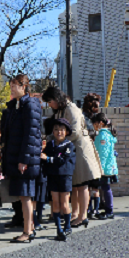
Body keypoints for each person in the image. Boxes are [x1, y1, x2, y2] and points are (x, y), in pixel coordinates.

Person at [42, 86, 102, 229]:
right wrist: (49, 138)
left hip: (80, 150)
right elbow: (58, 130)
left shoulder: (71, 109)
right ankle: (75, 214)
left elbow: (74, 132)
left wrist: (56, 137)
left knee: (82, 185)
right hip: (71, 148)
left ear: (57, 99)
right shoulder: (61, 110)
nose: (49, 105)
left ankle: (83, 216)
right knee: (74, 185)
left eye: (50, 101)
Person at [1, 74, 42, 244]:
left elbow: (31, 135)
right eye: (11, 86)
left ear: (24, 87)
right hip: (20, 157)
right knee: (25, 196)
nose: (11, 89)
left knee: (25, 195)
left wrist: (24, 159)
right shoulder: (18, 105)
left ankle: (27, 231)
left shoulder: (30, 105)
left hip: (25, 159)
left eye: (14, 86)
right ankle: (29, 228)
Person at [41, 118, 76, 241]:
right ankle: (58, 229)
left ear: (66, 132)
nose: (59, 132)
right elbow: (43, 157)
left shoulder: (69, 145)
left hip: (65, 176)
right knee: (55, 202)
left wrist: (48, 159)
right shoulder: (49, 145)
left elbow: (62, 160)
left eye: (62, 129)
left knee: (65, 203)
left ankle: (67, 226)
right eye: (56, 129)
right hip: (52, 176)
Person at [92, 113, 118, 220]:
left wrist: (100, 168)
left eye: (94, 123)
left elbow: (102, 153)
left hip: (104, 168)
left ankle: (109, 211)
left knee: (106, 188)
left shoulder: (102, 135)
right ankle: (108, 210)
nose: (93, 126)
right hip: (109, 166)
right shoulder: (108, 134)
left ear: (100, 123)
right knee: (105, 188)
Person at [82, 93, 102, 219]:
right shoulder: (84, 117)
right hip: (88, 152)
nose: (97, 108)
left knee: (94, 185)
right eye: (95, 106)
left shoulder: (95, 117)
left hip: (95, 153)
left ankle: (95, 209)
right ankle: (89, 209)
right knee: (89, 184)